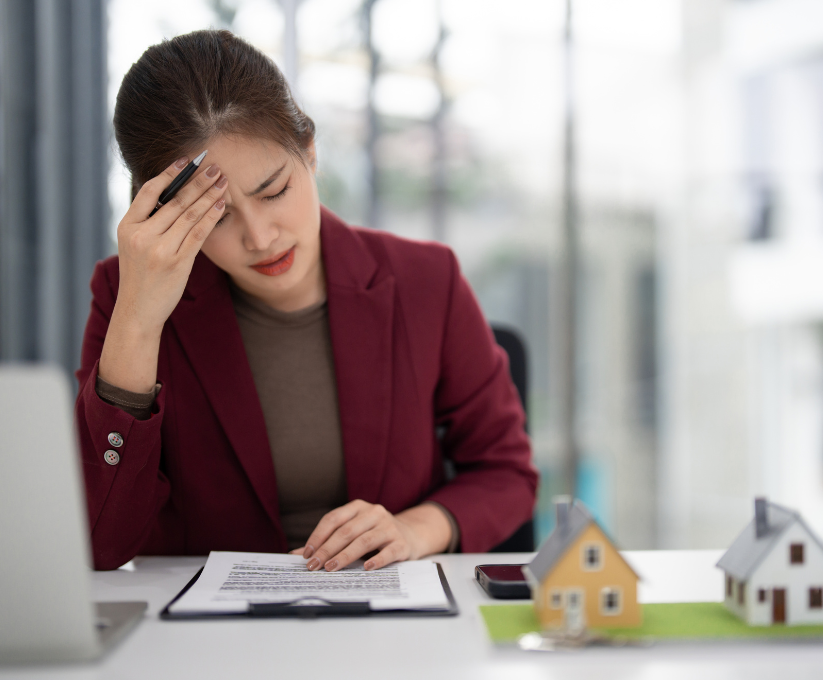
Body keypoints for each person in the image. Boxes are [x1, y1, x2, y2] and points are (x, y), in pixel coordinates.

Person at [75, 30, 537, 572]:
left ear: (310, 152)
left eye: (274, 192)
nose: (260, 237)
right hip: (204, 645)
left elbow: (508, 472)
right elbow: (102, 543)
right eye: (214, 216)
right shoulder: (124, 297)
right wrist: (138, 321)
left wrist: (414, 530)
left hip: (390, 626)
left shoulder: (425, 281)